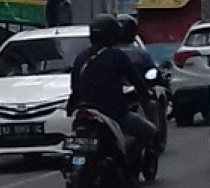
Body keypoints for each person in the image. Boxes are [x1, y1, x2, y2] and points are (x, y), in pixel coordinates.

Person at [66, 14, 158, 153]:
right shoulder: (117, 56)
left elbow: (75, 88)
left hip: (84, 112)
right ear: (113, 34)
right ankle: (128, 163)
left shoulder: (80, 58)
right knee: (149, 132)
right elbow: (136, 81)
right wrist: (146, 95)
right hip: (114, 113)